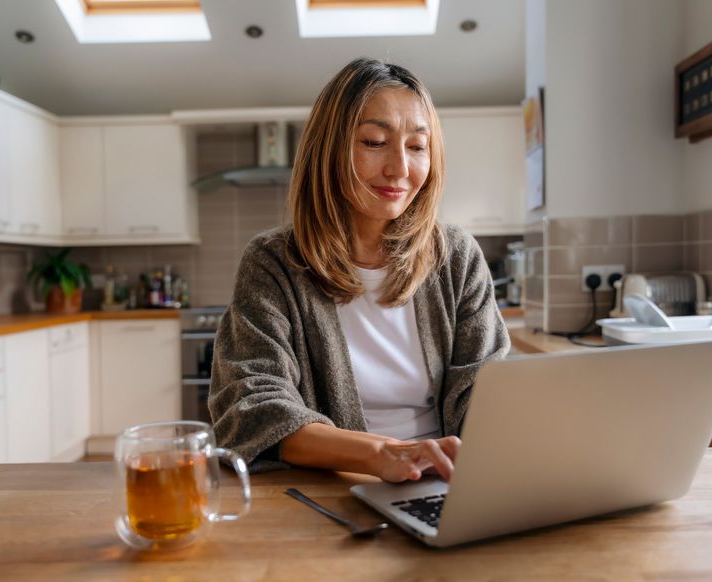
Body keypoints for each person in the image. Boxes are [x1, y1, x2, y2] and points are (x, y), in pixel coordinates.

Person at [210, 57, 509, 483]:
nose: (400, 169)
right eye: (373, 142)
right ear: (328, 148)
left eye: (417, 146)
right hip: (332, 488)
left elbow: (489, 391)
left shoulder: (455, 256)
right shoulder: (272, 261)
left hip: (446, 484)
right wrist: (382, 455)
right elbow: (254, 407)